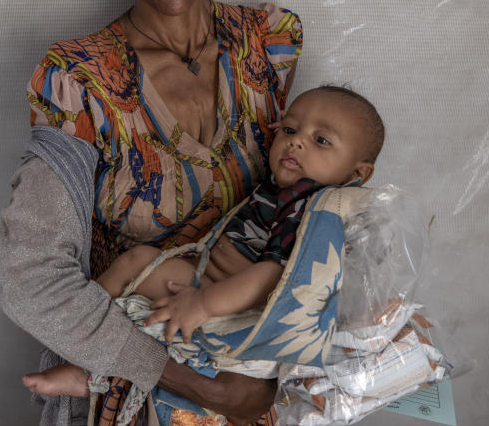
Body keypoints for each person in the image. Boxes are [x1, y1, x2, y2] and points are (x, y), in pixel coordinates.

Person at [0, 0, 303, 426]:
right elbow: (33, 280)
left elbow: (304, 195)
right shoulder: (80, 81)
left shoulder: (268, 45)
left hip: (252, 376)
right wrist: (202, 387)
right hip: (136, 398)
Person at [21, 85, 385, 403]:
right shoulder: (292, 189)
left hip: (230, 300)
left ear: (358, 173)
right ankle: (80, 345)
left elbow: (275, 276)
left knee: (137, 263)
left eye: (321, 140)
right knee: (144, 295)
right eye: (289, 129)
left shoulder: (308, 203)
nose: (297, 140)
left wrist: (203, 305)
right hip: (216, 282)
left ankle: (70, 334)